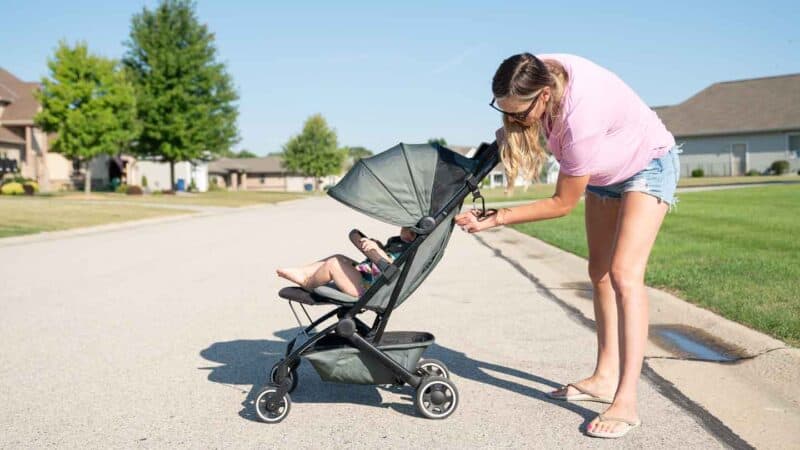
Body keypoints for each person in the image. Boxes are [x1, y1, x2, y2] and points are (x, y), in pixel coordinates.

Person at [456, 53, 680, 439]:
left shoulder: (580, 118)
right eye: (504, 111)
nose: (512, 120)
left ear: (544, 96)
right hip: (604, 173)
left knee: (625, 274)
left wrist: (499, 218)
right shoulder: (534, 70)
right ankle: (605, 376)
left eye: (519, 113)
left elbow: (561, 203)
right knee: (599, 274)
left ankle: (626, 399)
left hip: (647, 164)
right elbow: (516, 122)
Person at [277, 227, 416, 297]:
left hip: (369, 288)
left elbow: (393, 266)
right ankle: (304, 272)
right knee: (339, 257)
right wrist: (377, 245)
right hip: (367, 278)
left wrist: (377, 251)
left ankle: (309, 283)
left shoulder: (408, 249)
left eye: (404, 228)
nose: (401, 229)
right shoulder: (398, 242)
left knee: (334, 264)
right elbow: (387, 253)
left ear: (411, 235)